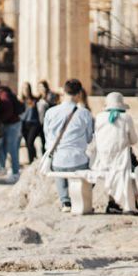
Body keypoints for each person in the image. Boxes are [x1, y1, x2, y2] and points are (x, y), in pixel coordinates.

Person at [43, 79, 94, 213]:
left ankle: (65, 201)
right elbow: (89, 138)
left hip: (58, 161)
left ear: (64, 92)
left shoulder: (50, 112)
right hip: (78, 160)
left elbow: (47, 137)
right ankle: (79, 199)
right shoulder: (85, 113)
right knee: (89, 167)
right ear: (78, 94)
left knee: (59, 162)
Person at [92, 92, 138, 214]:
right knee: (134, 168)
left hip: (102, 160)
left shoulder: (99, 117)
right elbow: (134, 140)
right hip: (121, 161)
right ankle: (131, 204)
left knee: (122, 169)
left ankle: (113, 203)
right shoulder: (126, 118)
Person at [0, 75, 22, 179]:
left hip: (12, 124)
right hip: (7, 123)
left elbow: (8, 111)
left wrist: (0, 120)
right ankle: (3, 167)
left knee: (12, 148)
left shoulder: (3, 95)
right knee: (2, 147)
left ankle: (15, 172)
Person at [20, 82, 44, 164]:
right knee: (28, 144)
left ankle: (32, 162)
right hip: (24, 124)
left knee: (30, 142)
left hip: (34, 123)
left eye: (27, 88)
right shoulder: (20, 101)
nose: (25, 90)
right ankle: (33, 159)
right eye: (24, 88)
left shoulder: (35, 99)